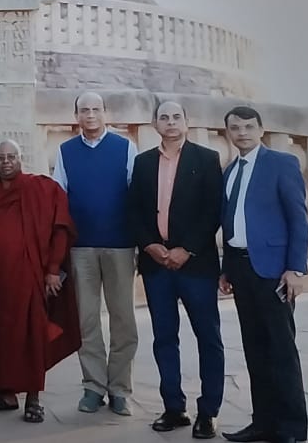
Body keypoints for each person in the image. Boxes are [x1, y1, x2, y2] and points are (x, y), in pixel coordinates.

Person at [128, 101, 224, 439]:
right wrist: (149, 245)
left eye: (176, 117)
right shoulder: (143, 163)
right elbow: (134, 210)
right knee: (164, 338)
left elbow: (213, 210)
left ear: (187, 121)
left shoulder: (206, 159)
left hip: (196, 264)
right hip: (157, 266)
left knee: (208, 337)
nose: (170, 122)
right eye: (164, 117)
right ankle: (173, 407)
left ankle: (208, 412)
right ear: (155, 124)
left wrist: (187, 249)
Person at [0, 139, 80, 425]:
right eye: (1, 158)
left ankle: (33, 399)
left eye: (11, 157)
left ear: (21, 158)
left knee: (31, 337)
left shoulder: (41, 188)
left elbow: (61, 229)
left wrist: (53, 269)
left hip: (28, 279)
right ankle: (6, 394)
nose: (6, 162)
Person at [219, 106, 308, 443]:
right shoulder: (230, 171)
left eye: (248, 126)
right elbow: (232, 222)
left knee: (281, 350)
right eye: (235, 128)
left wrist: (296, 268)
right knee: (255, 349)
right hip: (242, 270)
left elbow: (298, 219)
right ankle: (263, 423)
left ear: (261, 129)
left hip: (274, 271)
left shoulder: (281, 164)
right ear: (228, 132)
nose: (242, 133)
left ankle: (291, 429)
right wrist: (227, 269)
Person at [52, 90, 139, 415]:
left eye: (96, 109)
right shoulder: (65, 151)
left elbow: (137, 194)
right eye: (84, 110)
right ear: (76, 115)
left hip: (120, 245)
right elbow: (58, 198)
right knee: (86, 320)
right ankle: (93, 387)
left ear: (105, 113)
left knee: (123, 319)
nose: (90, 115)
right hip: (81, 248)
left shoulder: (125, 147)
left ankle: (119, 389)